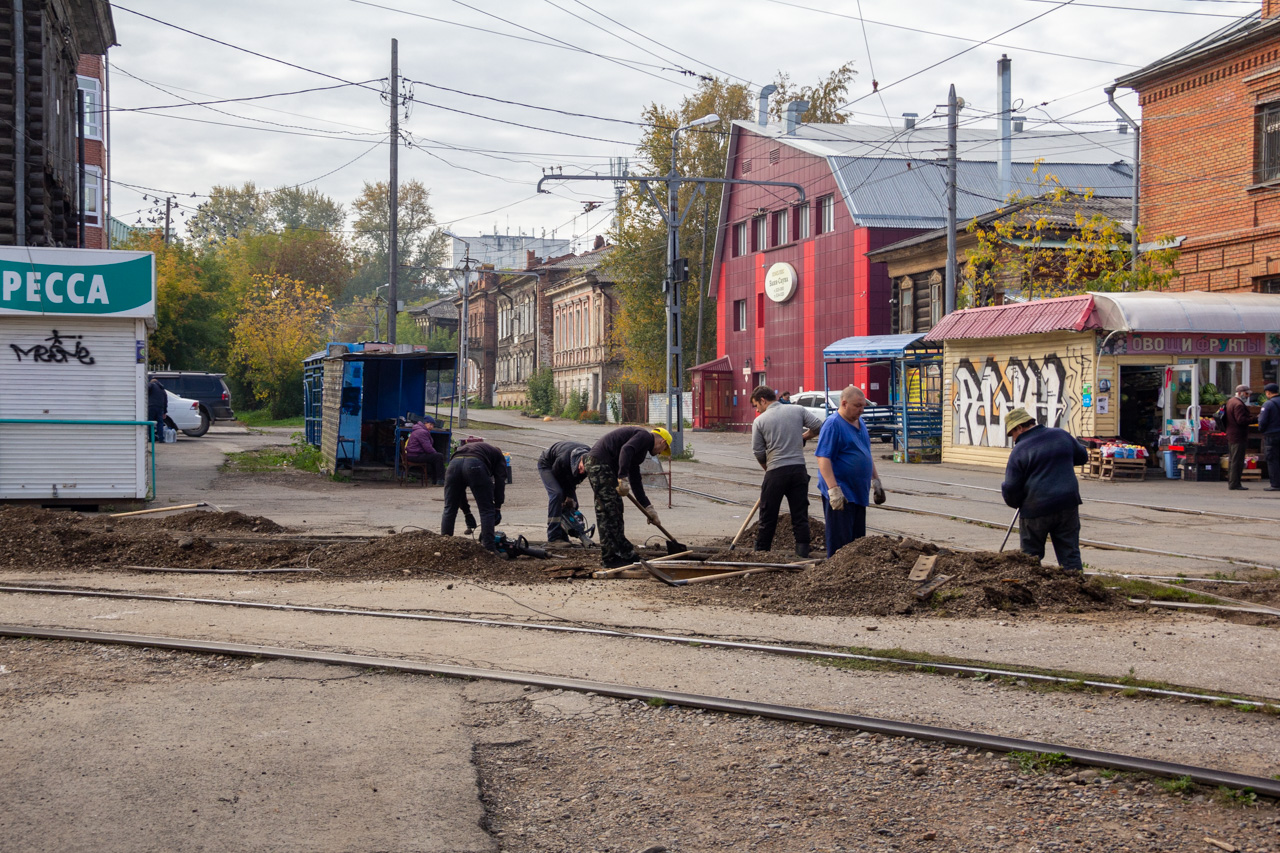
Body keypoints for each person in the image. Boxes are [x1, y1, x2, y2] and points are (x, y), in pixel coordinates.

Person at [1001, 407, 1088, 573]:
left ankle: (1030, 592)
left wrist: (1015, 501)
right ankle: (1079, 590)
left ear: (1020, 427)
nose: (1013, 439)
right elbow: (1082, 456)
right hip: (1067, 504)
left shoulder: (1020, 450)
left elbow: (1011, 487)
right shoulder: (1061, 435)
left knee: (1030, 558)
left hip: (1035, 509)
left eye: (1012, 434)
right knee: (1070, 554)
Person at [749, 385, 823, 557]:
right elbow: (818, 427)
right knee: (800, 514)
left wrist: (768, 469)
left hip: (775, 472)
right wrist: (803, 436)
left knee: (768, 515)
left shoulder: (760, 421)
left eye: (756, 406)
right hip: (798, 471)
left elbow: (758, 452)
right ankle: (802, 552)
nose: (757, 410)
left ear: (762, 400)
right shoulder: (797, 410)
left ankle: (762, 553)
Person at [585, 426, 670, 568]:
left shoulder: (641, 449)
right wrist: (622, 477)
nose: (659, 453)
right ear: (662, 442)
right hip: (599, 464)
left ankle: (624, 552)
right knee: (608, 511)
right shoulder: (644, 436)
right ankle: (610, 558)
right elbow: (626, 450)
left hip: (604, 467)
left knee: (616, 509)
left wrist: (648, 508)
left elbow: (636, 479)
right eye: (662, 450)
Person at [814, 386, 884, 558]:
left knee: (857, 542)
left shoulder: (861, 423)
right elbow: (823, 458)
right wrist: (833, 490)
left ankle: (853, 575)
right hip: (842, 493)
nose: (861, 410)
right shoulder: (833, 425)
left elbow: (865, 454)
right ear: (844, 403)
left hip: (858, 492)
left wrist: (876, 481)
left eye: (863, 406)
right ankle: (835, 575)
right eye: (857, 406)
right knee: (840, 541)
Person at [441, 440, 507, 552]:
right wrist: (497, 506)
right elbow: (500, 481)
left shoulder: (477, 449)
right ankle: (489, 550)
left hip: (453, 465)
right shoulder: (498, 455)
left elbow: (459, 492)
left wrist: (467, 513)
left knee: (449, 508)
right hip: (475, 465)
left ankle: (444, 548)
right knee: (487, 510)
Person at [537, 440, 590, 542]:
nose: (582, 471)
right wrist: (564, 499)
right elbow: (558, 478)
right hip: (548, 465)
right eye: (582, 468)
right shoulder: (563, 459)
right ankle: (554, 537)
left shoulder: (590, 460)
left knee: (573, 504)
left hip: (566, 471)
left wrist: (570, 497)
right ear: (580, 460)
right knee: (557, 495)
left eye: (585, 471)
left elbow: (573, 481)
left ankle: (563, 534)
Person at [1224, 384, 1256, 491]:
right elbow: (1241, 420)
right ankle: (1235, 483)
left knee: (1233, 460)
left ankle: (1232, 482)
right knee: (1237, 460)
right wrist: (1255, 419)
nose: (1247, 396)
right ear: (1240, 393)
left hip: (1232, 434)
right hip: (1238, 435)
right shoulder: (1239, 404)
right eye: (1246, 394)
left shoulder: (1231, 401)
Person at [403, 418, 445, 485]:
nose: (431, 427)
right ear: (425, 423)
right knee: (438, 456)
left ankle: (435, 480)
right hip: (415, 455)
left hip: (412, 454)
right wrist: (435, 453)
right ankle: (440, 480)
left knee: (434, 457)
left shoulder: (418, 430)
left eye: (433, 425)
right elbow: (427, 448)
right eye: (430, 424)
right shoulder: (422, 432)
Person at [1259, 383, 1280, 492]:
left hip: (1272, 435)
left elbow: (1262, 421)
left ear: (1268, 393)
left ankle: (1275, 484)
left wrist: (1262, 430)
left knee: (1272, 459)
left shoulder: (1268, 404)